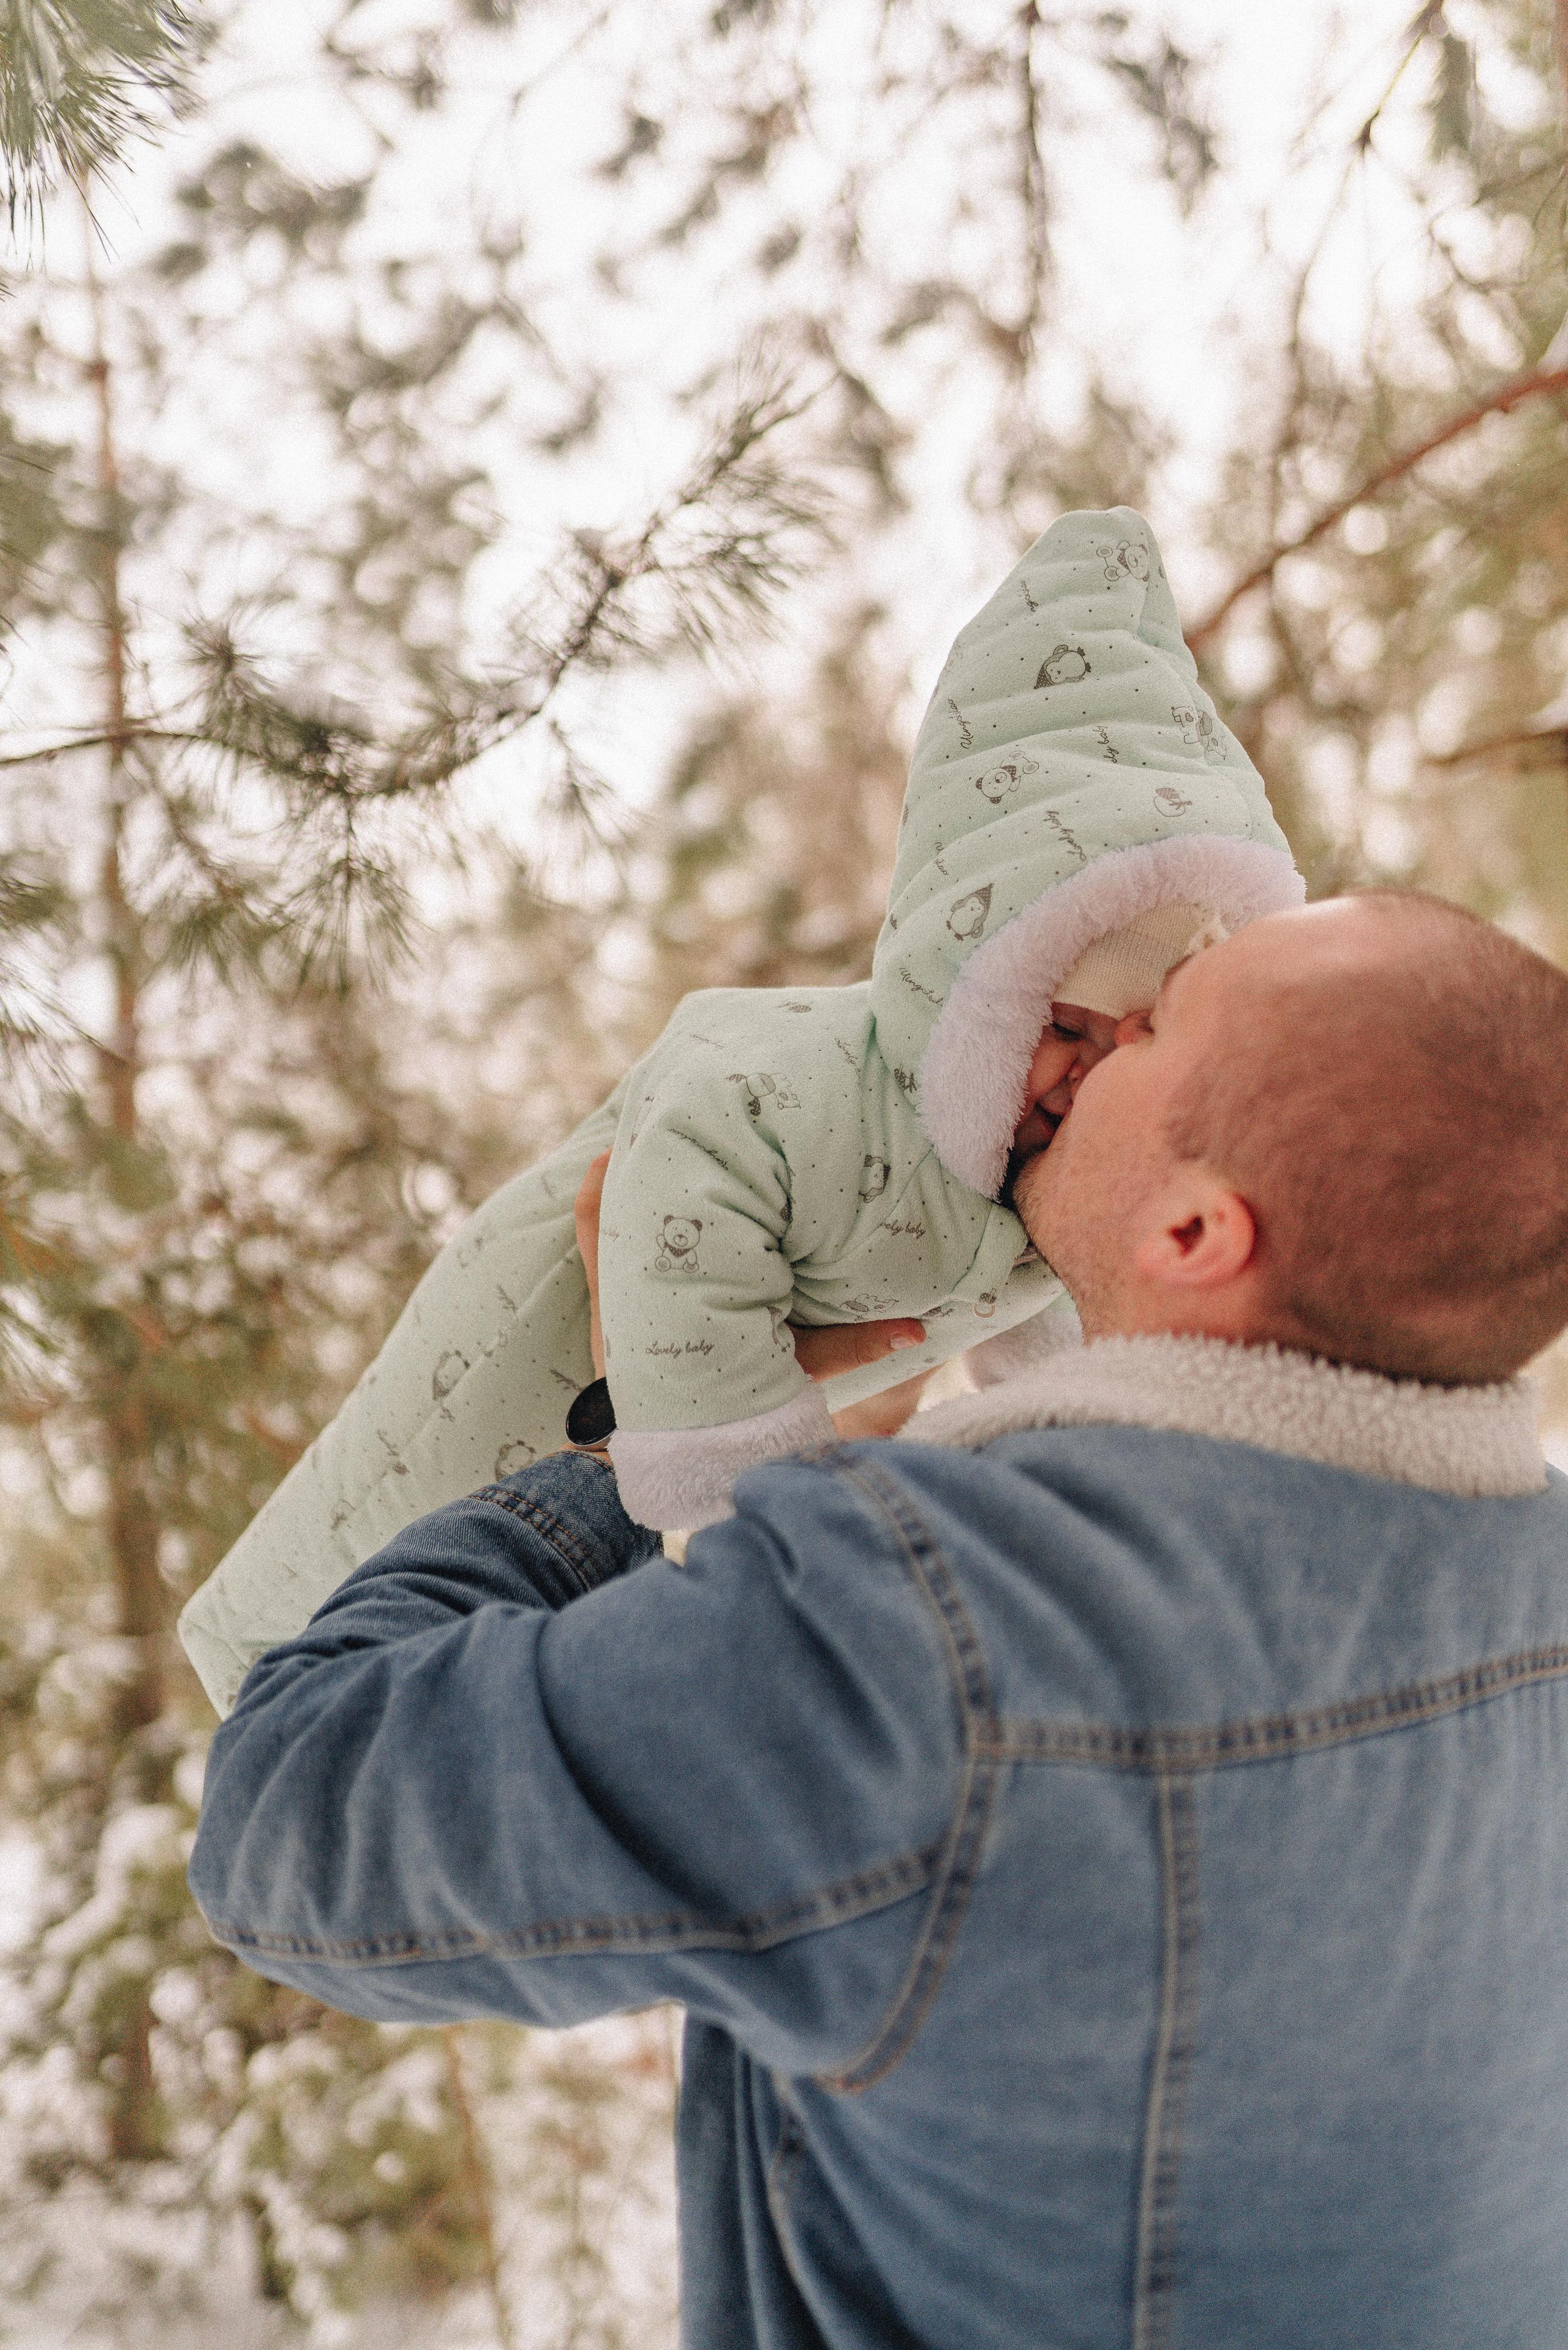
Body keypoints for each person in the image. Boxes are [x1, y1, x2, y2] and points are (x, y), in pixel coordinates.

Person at [190, 889, 1568, 2349]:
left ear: (1194, 1224)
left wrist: (621, 1455)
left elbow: (292, 1823)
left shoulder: (933, 1638)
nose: (1082, 1037)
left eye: (1153, 1029)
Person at [176, 503, 1302, 1715]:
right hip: (564, 1322)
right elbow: (679, 1159)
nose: (1086, 1075)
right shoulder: (818, 1085)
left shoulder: (1052, 1174)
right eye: (1064, 1023)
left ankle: (358, 1719)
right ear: (974, 985)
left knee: (497, 1666)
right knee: (397, 1512)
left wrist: (1097, 1439)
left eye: (1135, 1042)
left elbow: (1057, 1337)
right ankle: (273, 1668)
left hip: (660, 1445)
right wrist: (742, 1500)